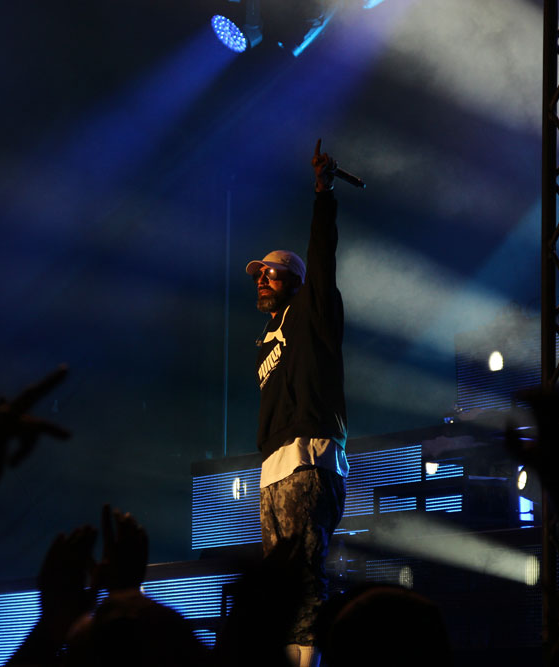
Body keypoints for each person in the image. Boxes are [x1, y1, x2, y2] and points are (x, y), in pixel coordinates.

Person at [245, 139, 348, 667]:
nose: (262, 278)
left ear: (296, 281)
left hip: (309, 458)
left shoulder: (312, 311)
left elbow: (323, 258)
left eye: (272, 272)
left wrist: (322, 195)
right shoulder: (266, 339)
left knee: (305, 580)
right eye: (259, 274)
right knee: (279, 589)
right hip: (273, 468)